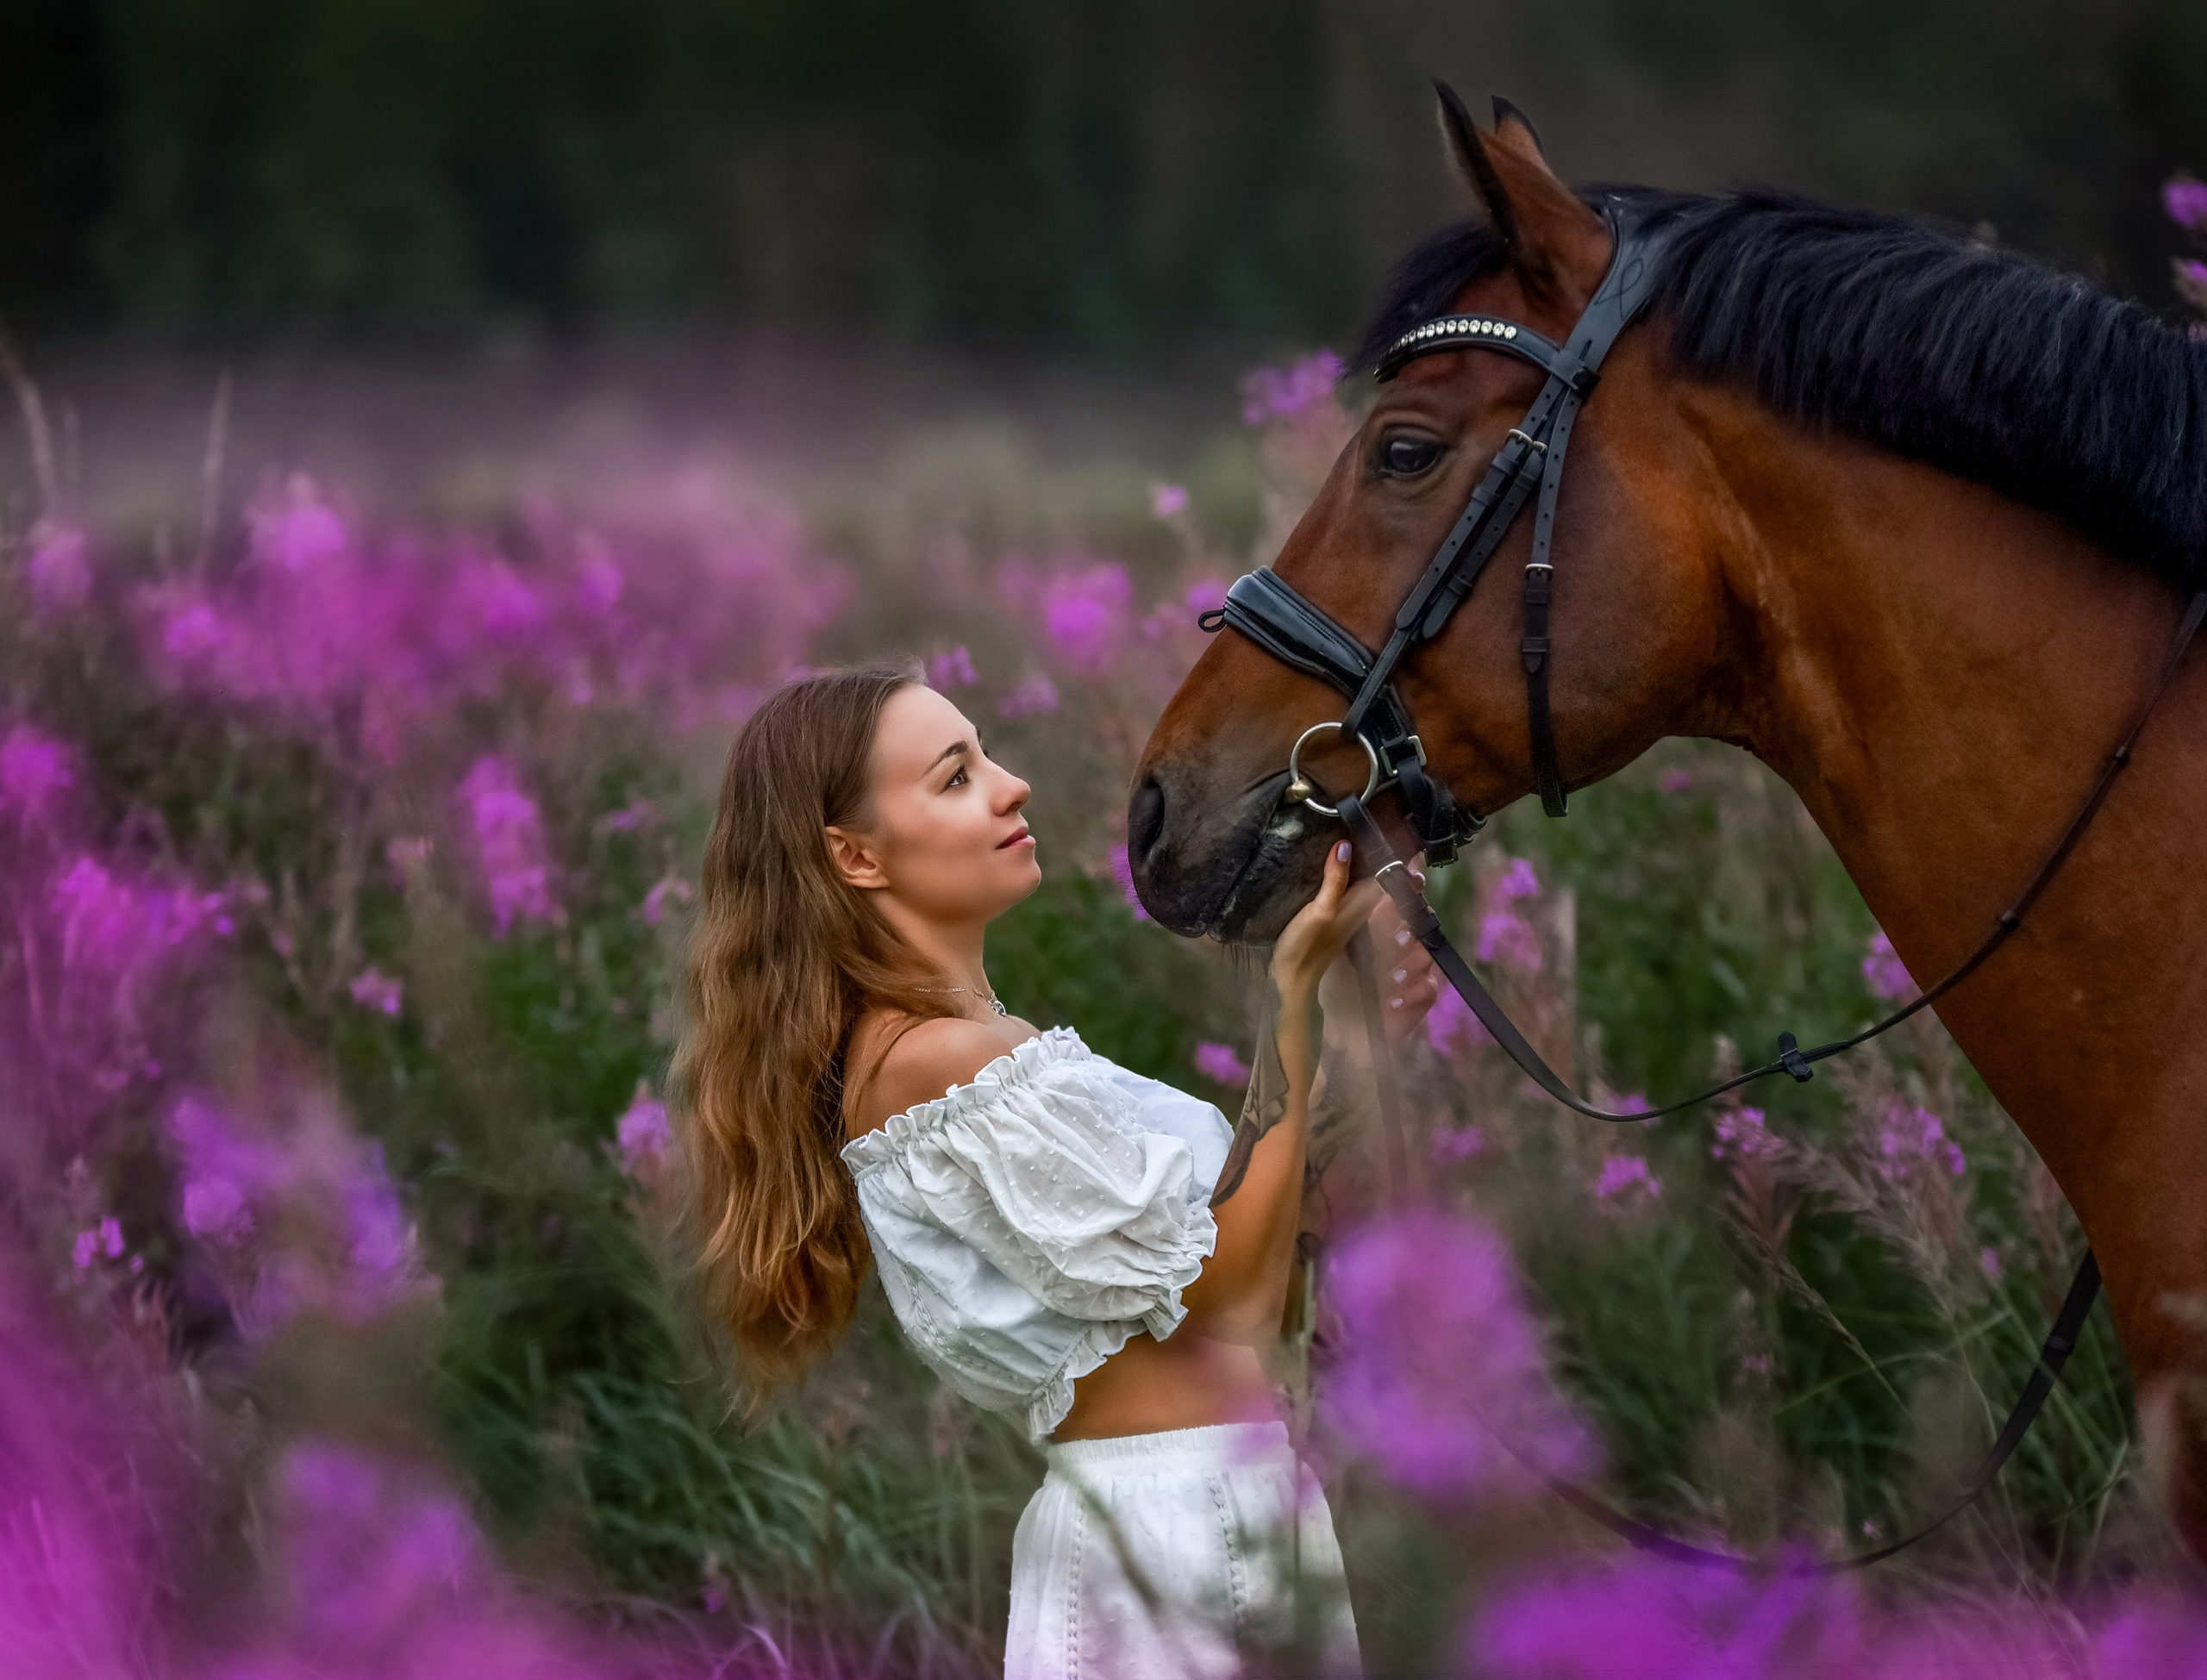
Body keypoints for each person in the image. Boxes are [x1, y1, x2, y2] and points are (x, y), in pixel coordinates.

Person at [671, 662, 1436, 1678]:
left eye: (987, 754)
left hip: (1228, 1513)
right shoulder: (935, 1069)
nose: (1011, 784)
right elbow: (1236, 1297)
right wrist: (1292, 1001)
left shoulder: (984, 1054)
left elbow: (1270, 1270)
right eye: (954, 776)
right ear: (854, 854)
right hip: (1167, 1542)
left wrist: (1347, 1034)